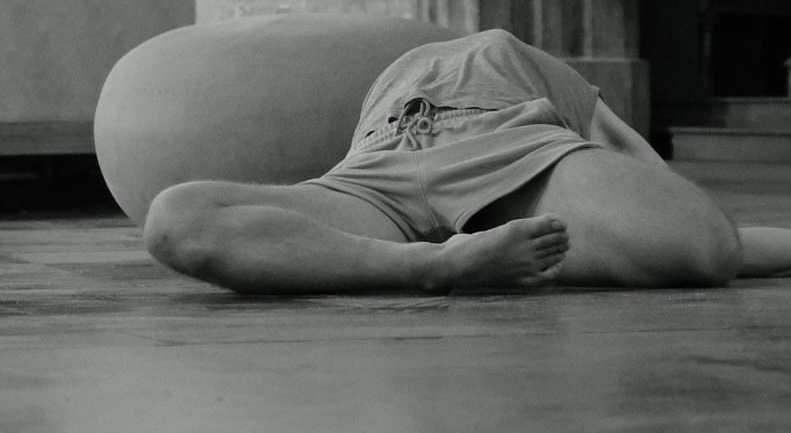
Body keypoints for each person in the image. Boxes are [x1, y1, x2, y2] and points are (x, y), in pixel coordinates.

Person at [142, 29, 791, 294]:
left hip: (511, 146)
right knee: (176, 218)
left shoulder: (537, 64)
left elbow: (627, 152)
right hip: (379, 166)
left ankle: (475, 244)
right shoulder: (390, 77)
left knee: (706, 247)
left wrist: (648, 215)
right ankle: (437, 264)